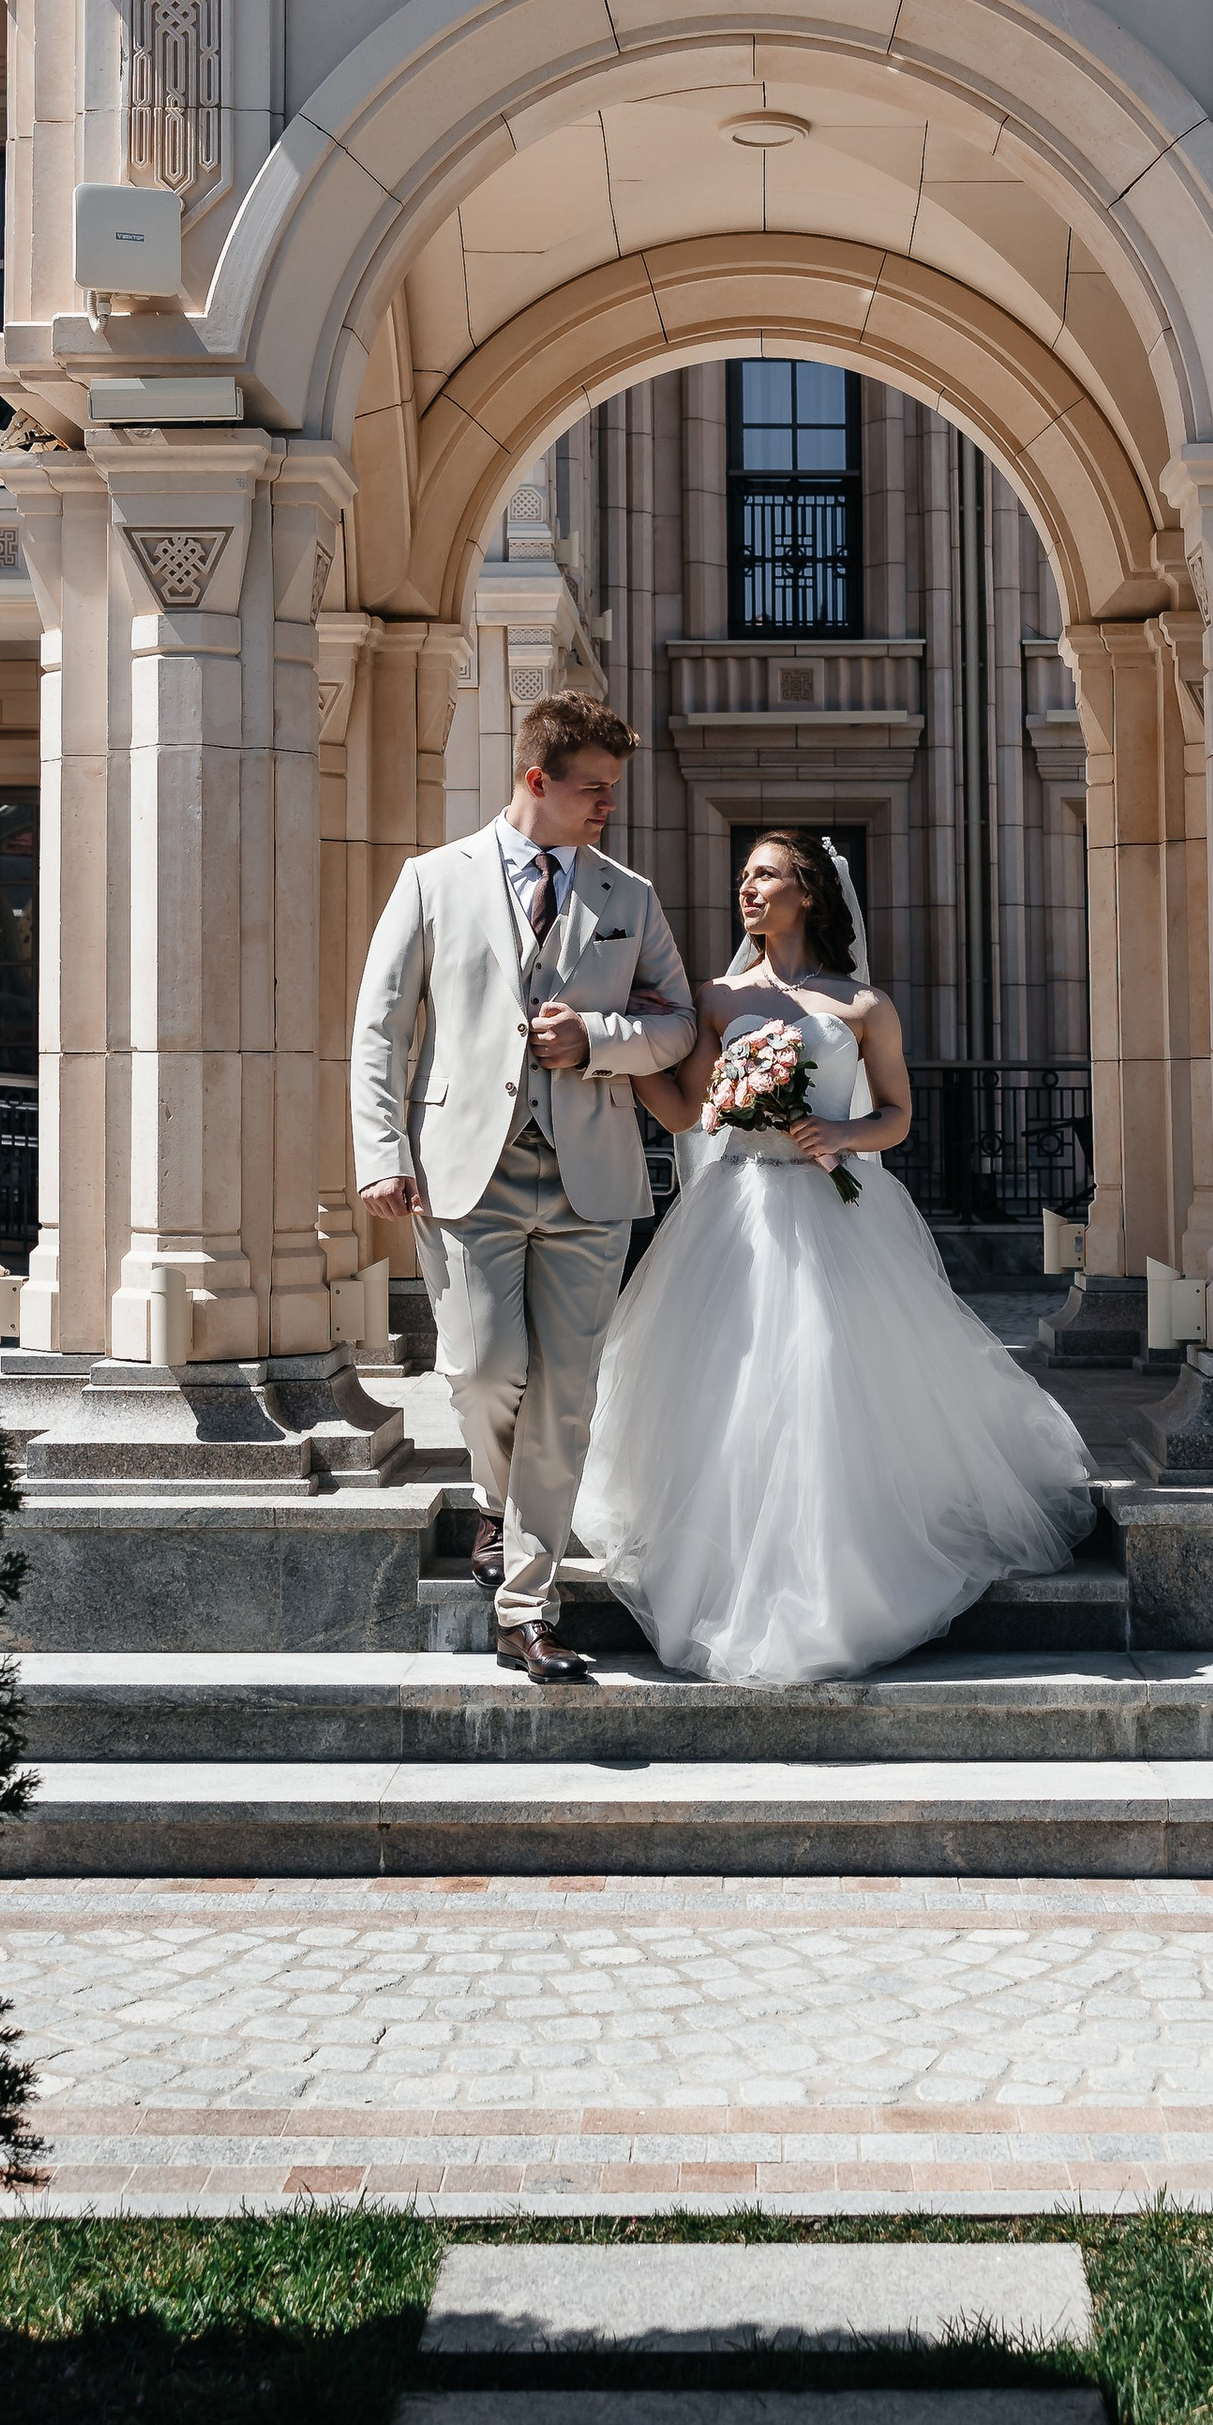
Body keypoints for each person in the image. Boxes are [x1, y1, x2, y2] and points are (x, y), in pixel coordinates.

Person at [571, 830, 1094, 1685]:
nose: (749, 889)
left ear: (807, 893)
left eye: (767, 876)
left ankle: (830, 1570)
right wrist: (615, 1049)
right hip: (734, 1212)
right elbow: (682, 1114)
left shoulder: (862, 1007)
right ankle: (731, 1561)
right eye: (744, 876)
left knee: (818, 1377)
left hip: (832, 1214)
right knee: (730, 1388)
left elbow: (897, 1115)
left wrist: (843, 1133)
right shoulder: (715, 998)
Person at [349, 695, 695, 1685]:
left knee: (568, 1397)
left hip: (592, 1175)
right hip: (466, 1170)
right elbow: (381, 1026)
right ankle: (500, 1510)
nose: (607, 809)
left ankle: (526, 1608)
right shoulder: (430, 881)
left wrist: (602, 1042)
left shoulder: (627, 895)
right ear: (536, 780)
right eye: (593, 790)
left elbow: (674, 1022)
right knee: (483, 1370)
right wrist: (383, 1149)